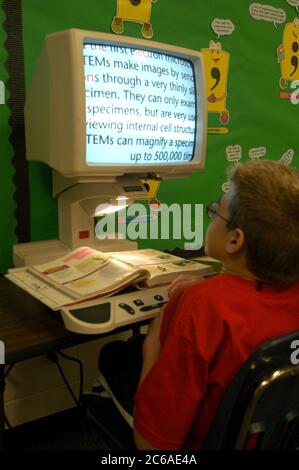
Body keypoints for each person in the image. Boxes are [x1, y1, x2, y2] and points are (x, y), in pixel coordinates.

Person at [98, 159, 299, 450]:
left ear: (235, 240)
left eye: (216, 211)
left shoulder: (203, 305)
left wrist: (153, 342)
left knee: (115, 354)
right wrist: (219, 283)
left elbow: (152, 444)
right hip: (270, 437)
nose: (212, 218)